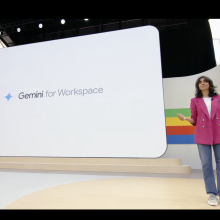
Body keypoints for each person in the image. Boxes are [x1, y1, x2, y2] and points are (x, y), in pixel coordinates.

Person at [177, 76, 220, 206]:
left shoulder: (218, 98)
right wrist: (185, 119)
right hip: (202, 134)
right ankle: (212, 194)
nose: (202, 83)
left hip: (218, 133)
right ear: (198, 86)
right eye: (200, 82)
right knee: (206, 164)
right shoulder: (194, 100)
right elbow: (194, 119)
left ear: (209, 84)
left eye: (205, 81)